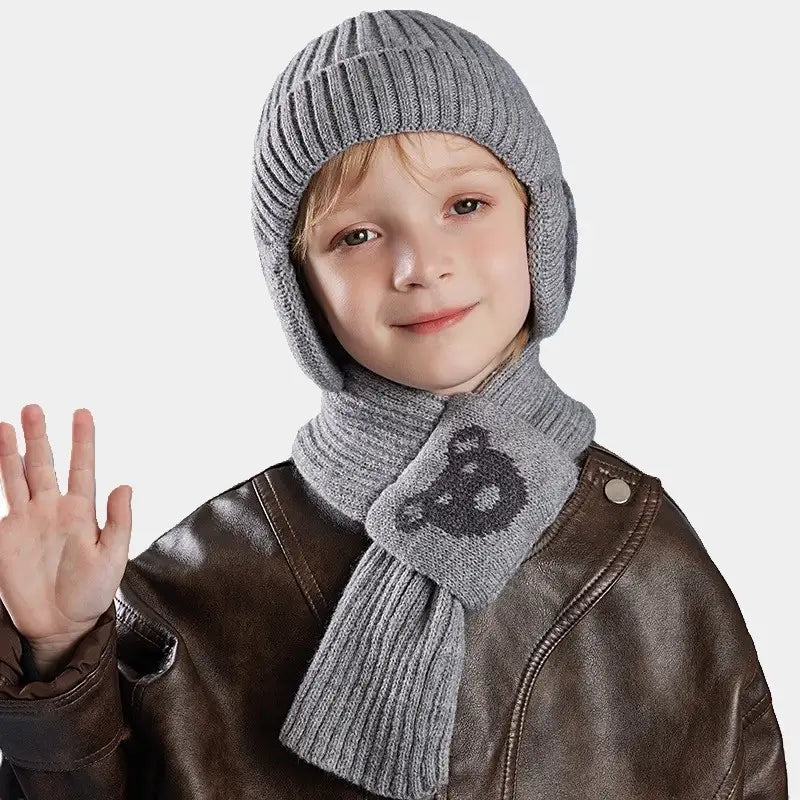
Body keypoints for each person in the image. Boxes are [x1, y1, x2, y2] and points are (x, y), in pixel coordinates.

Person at [0, 8, 789, 800]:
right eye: (357, 236)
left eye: (465, 207)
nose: (420, 264)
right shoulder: (195, 589)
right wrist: (62, 653)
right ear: (302, 289)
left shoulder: (642, 560)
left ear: (541, 225)